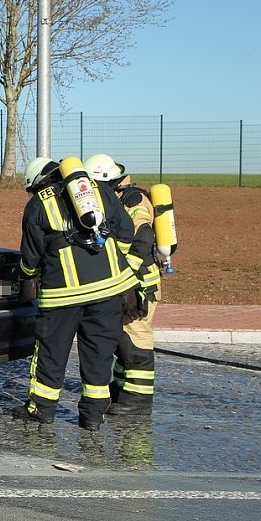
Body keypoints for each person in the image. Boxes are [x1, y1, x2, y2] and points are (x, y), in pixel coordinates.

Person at [13, 156, 141, 431]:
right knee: (99, 354)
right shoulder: (97, 190)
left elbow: (31, 258)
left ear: (36, 184)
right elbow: (126, 233)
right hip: (109, 292)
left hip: (62, 298)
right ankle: (93, 417)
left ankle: (41, 410)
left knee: (51, 352)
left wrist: (24, 276)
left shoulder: (38, 204)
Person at [85, 154, 160, 416]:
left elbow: (143, 235)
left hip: (140, 284)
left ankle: (138, 401)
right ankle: (122, 389)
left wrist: (128, 274)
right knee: (121, 337)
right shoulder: (113, 199)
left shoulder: (134, 200)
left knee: (136, 338)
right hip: (125, 281)